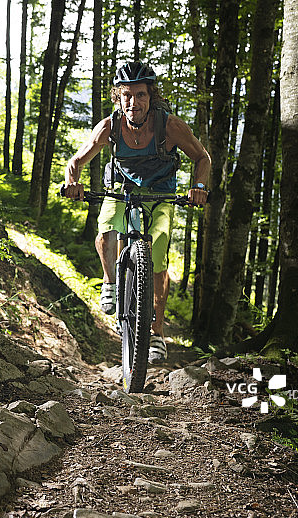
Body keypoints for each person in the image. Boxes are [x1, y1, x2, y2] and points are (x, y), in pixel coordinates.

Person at [63, 61, 210, 364]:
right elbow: (76, 161)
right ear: (118, 96)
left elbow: (202, 157)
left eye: (140, 95)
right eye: (126, 95)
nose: (133, 102)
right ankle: (110, 282)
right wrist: (72, 184)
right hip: (122, 189)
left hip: (161, 193)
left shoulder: (170, 126)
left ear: (151, 96)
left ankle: (156, 333)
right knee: (106, 231)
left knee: (157, 251)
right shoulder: (110, 126)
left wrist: (198, 186)